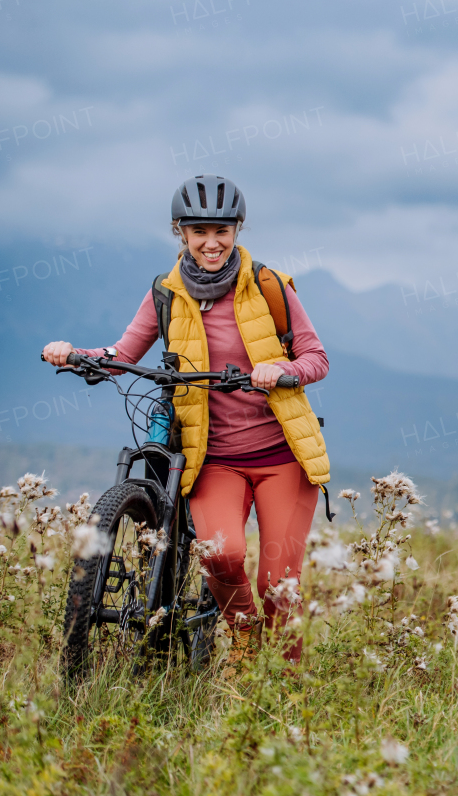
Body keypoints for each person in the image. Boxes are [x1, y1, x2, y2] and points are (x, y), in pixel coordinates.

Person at [42, 174, 329, 676]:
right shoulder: (166, 293)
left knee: (278, 587)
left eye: (222, 231)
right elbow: (122, 354)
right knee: (220, 555)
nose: (211, 242)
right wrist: (75, 357)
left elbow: (316, 357)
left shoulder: (269, 286)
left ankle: (284, 692)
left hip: (282, 455)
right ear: (181, 232)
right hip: (213, 458)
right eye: (199, 231)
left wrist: (281, 371)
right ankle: (241, 631)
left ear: (238, 230)